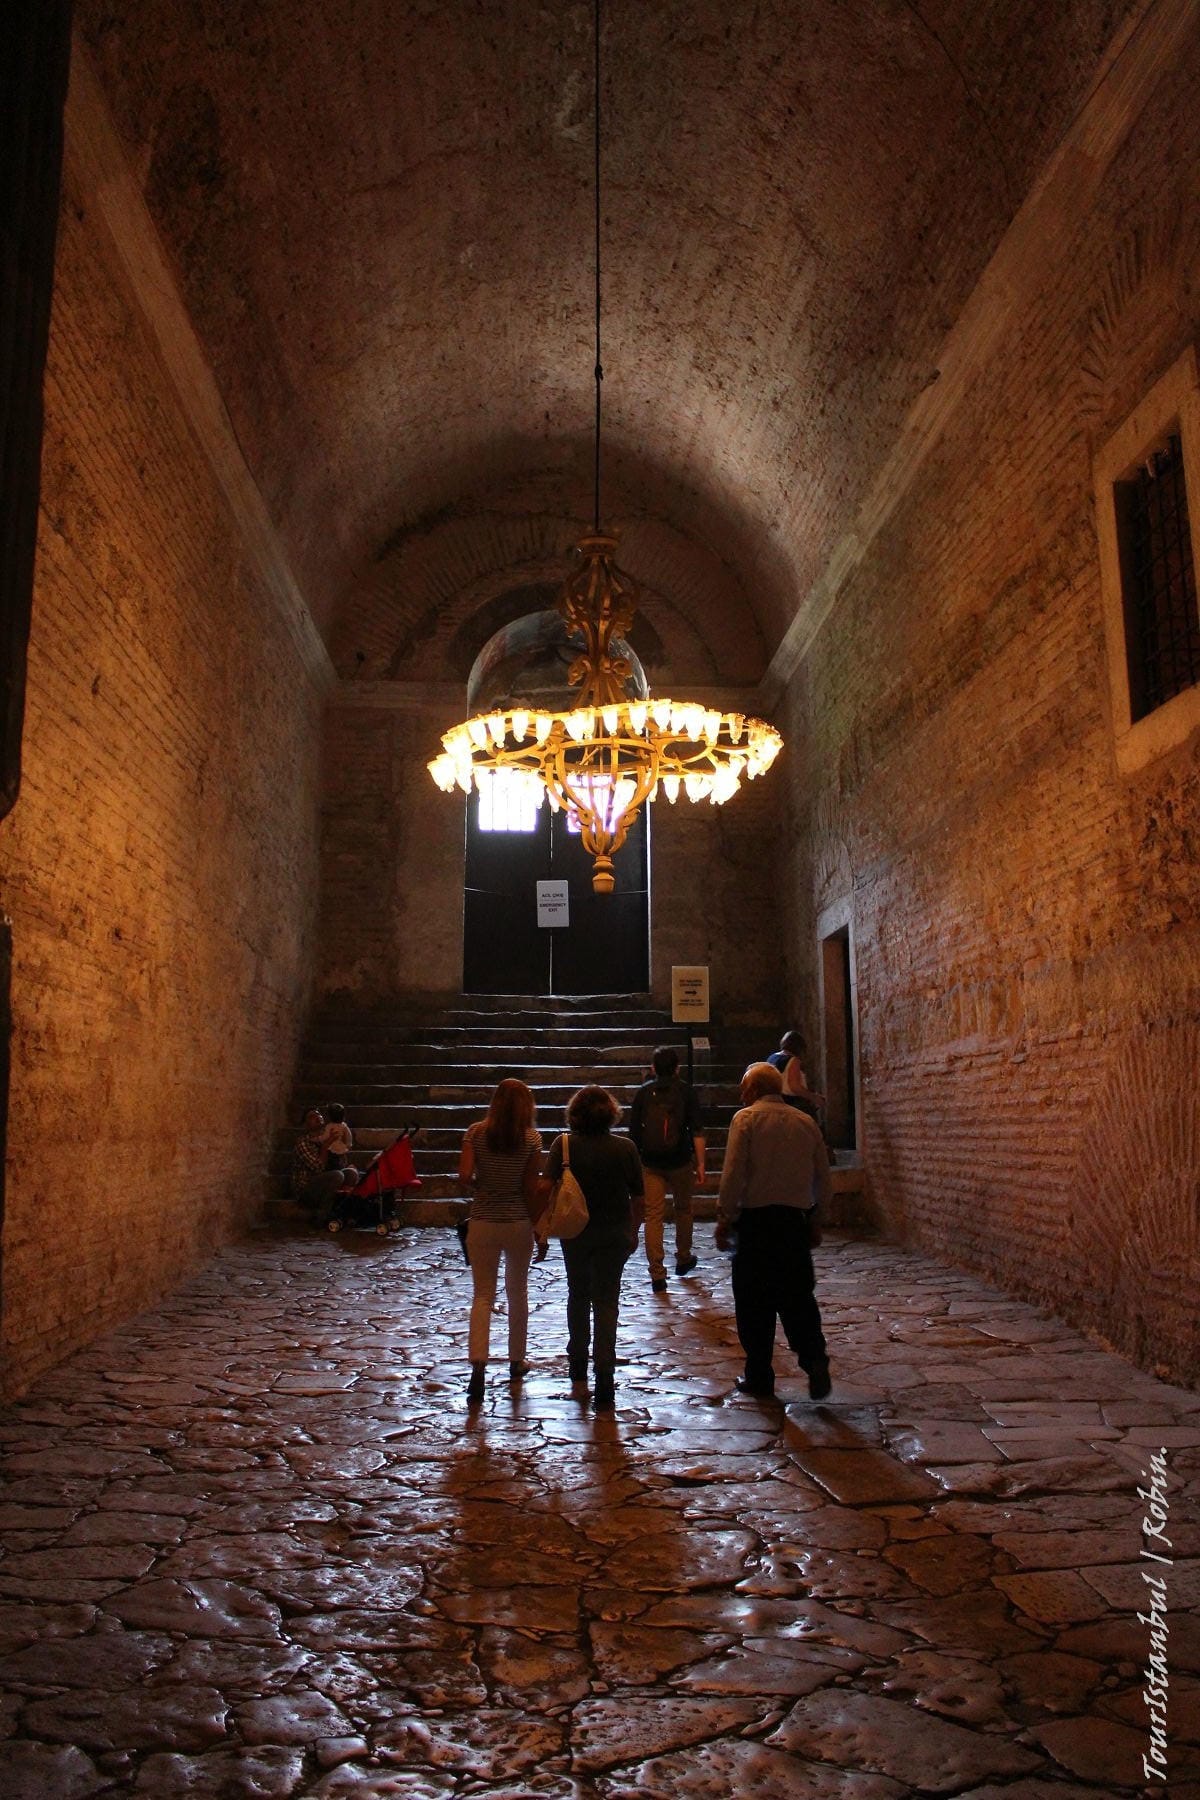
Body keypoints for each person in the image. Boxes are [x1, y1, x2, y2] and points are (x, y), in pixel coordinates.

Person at [714, 1062, 832, 1401]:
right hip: (793, 1223)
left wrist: (724, 1216)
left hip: (755, 1225)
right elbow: (822, 1176)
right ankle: (814, 1360)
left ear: (752, 1091)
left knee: (753, 1304)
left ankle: (760, 1375)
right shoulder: (805, 1121)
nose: (740, 1096)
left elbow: (734, 1172)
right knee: (798, 1299)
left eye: (743, 1089)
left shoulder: (746, 1119)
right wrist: (817, 1218)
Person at [541, 1085, 644, 1411]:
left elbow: (545, 1187)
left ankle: (578, 1362)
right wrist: (634, 1230)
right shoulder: (625, 1148)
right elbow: (639, 1198)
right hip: (614, 1233)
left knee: (578, 1293)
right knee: (607, 1300)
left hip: (575, 1233)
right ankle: (604, 1371)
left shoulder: (564, 1145)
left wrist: (539, 1226)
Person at [458, 1078, 543, 1404]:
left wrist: (482, 1186)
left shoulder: (476, 1133)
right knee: (516, 1290)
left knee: (482, 1295)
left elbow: (464, 1175)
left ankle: (478, 1364)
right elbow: (530, 1188)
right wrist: (539, 1227)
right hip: (517, 1221)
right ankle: (515, 1360)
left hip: (482, 1220)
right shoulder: (531, 1139)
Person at [628, 1045, 706, 1291]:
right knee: (683, 1210)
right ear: (677, 1068)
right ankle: (683, 1257)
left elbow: (634, 1132)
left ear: (653, 1068)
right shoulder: (685, 1091)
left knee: (653, 1216)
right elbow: (697, 1130)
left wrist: (639, 1159)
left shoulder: (644, 1093)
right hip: (680, 1159)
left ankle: (657, 1273)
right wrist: (701, 1163)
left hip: (651, 1162)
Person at [291, 1109, 358, 1219]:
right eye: (312, 1116)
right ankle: (322, 1215)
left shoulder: (327, 1136)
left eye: (319, 1114)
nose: (318, 1116)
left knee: (351, 1173)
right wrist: (326, 1145)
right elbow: (318, 1168)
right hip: (307, 1189)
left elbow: (337, 1164)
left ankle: (343, 1211)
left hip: (327, 1182)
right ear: (305, 1125)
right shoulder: (303, 1142)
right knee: (337, 1175)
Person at [767, 1030, 825, 1123]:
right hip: (791, 1103)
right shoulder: (793, 1060)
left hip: (775, 1100)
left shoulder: (772, 1057)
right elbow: (795, 1087)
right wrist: (814, 1097)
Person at [319, 1102, 353, 1170]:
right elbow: (349, 1137)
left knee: (333, 1161)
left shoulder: (329, 1126)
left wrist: (318, 1139)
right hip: (342, 1149)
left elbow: (325, 1137)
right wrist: (348, 1145)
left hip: (332, 1149)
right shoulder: (344, 1126)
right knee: (341, 1161)